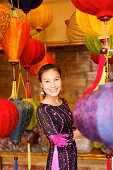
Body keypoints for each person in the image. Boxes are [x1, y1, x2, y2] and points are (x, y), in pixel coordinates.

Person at [36, 64, 81, 170]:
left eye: (56, 79)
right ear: (41, 85)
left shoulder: (63, 102)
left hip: (72, 154)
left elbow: (69, 128)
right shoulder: (43, 110)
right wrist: (84, 130)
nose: (53, 85)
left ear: (61, 80)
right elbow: (59, 140)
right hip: (59, 159)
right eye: (47, 81)